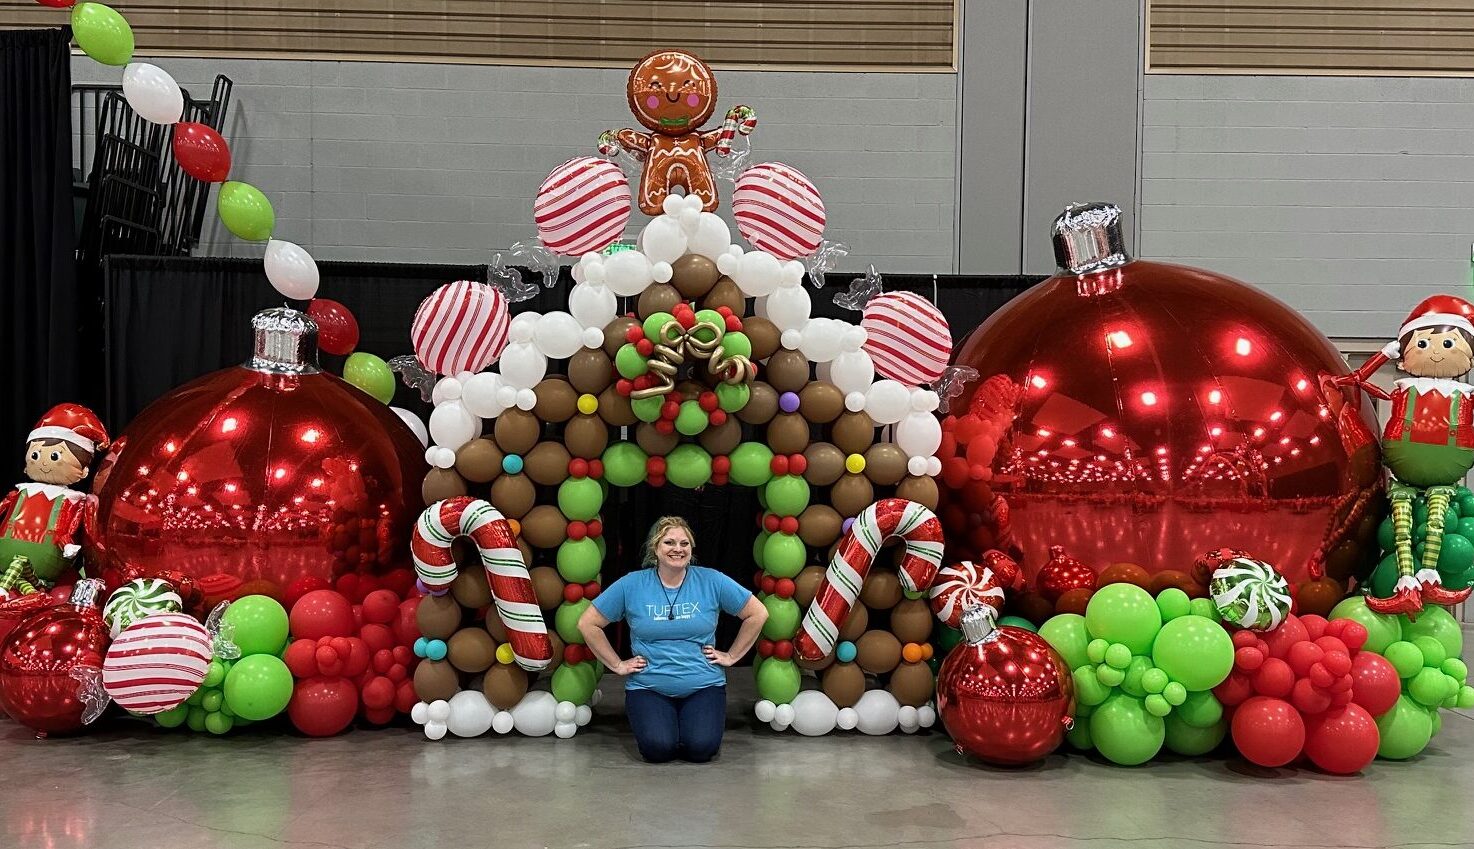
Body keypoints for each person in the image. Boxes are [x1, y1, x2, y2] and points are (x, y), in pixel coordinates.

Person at [578, 516, 767, 763]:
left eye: (684, 543)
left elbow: (757, 613)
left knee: (701, 749)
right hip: (649, 686)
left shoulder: (711, 580)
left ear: (692, 549)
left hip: (703, 684)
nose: (678, 549)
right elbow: (588, 623)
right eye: (669, 542)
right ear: (655, 548)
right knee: (658, 750)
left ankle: (688, 724)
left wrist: (731, 656)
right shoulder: (632, 584)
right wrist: (617, 665)